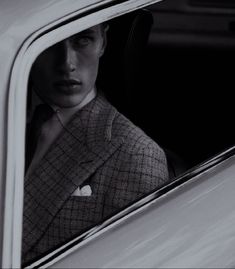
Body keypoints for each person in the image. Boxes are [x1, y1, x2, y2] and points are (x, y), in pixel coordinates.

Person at [22, 23, 169, 264]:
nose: (67, 63)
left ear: (103, 42)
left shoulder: (137, 156)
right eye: (50, 41)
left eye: (83, 40)